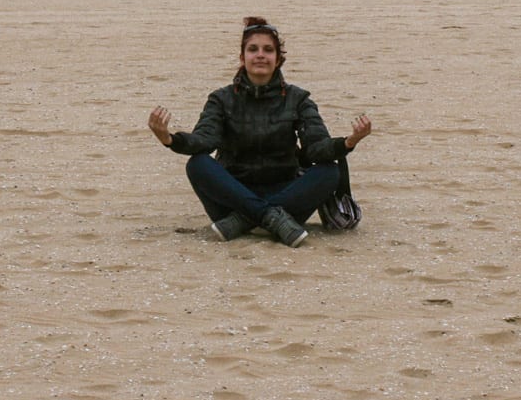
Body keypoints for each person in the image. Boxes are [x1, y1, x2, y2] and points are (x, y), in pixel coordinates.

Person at [148, 16, 372, 247]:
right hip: (232, 196)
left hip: (287, 201)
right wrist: (169, 138)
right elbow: (204, 140)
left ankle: (244, 220)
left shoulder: (298, 98)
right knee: (198, 164)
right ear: (242, 57)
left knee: (330, 172)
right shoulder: (221, 98)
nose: (260, 55)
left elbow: (316, 148)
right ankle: (266, 217)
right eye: (253, 49)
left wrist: (349, 142)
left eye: (268, 50)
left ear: (278, 59)